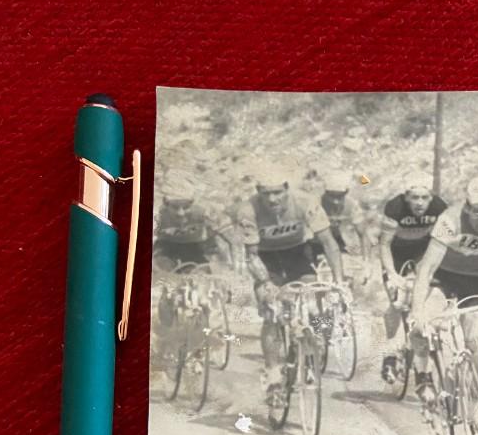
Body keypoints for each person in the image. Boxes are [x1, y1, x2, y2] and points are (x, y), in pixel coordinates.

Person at [236, 165, 346, 407]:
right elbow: (251, 255)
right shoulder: (248, 209)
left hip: (297, 255)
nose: (272, 199)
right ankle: (274, 376)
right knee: (272, 316)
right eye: (266, 193)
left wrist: (339, 282)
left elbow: (329, 243)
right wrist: (265, 284)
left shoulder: (306, 201)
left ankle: (311, 348)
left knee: (317, 304)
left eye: (277, 192)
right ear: (258, 192)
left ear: (287, 189)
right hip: (267, 261)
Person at [406, 176, 478, 402]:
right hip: (444, 278)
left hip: (477, 280)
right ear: (467, 207)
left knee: (475, 343)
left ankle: (474, 403)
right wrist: (416, 312)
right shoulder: (449, 220)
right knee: (423, 326)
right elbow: (426, 269)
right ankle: (422, 374)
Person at [378, 172, 449, 382]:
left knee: (426, 297)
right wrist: (391, 274)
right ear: (406, 196)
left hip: (423, 253)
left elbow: (443, 243)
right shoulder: (394, 207)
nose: (420, 203)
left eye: (424, 197)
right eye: (414, 197)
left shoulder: (439, 207)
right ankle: (390, 352)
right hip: (397, 255)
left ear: (431, 197)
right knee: (398, 301)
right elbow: (384, 244)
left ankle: (420, 350)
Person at [153, 174, 234, 271]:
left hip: (199, 246)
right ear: (166, 204)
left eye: (186, 207)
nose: (181, 213)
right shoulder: (157, 215)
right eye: (175, 207)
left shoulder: (205, 211)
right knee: (160, 267)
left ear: (193, 204)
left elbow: (232, 238)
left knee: (204, 271)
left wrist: (235, 264)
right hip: (167, 245)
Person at [313, 170, 371, 285]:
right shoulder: (315, 203)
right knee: (316, 280)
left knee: (345, 277)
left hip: (337, 240)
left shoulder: (351, 204)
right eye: (331, 196)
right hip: (314, 241)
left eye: (340, 196)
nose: (335, 201)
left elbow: (363, 234)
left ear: (346, 192)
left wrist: (367, 262)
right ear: (325, 192)